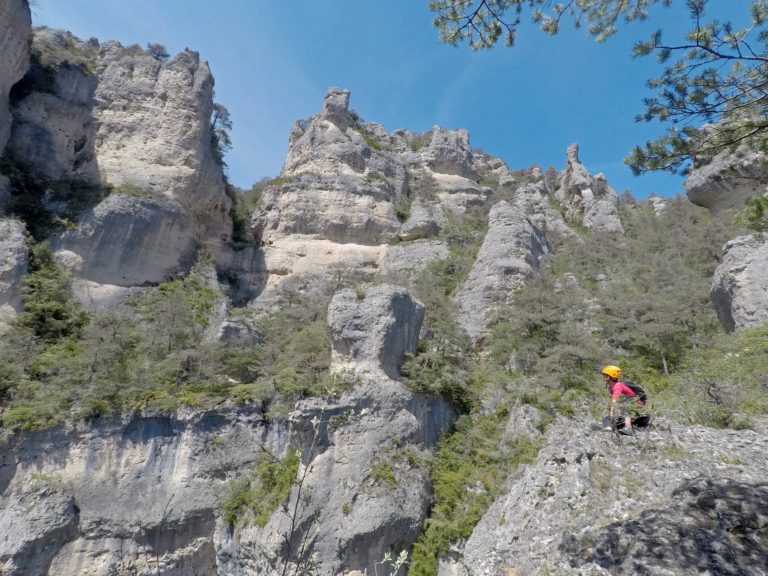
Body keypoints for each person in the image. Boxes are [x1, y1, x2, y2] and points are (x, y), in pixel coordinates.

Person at [601, 365, 646, 436]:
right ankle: (608, 426)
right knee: (608, 418)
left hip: (639, 411)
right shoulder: (612, 387)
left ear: (608, 376)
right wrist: (610, 414)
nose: (602, 376)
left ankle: (628, 428)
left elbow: (615, 400)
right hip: (632, 413)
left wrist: (612, 412)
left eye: (604, 375)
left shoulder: (617, 386)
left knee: (626, 407)